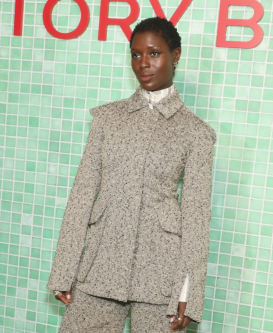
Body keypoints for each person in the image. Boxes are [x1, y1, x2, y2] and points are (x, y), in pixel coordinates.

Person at [46, 16, 217, 332]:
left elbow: (196, 217)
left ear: (175, 55)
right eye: (136, 54)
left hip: (160, 276)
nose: (143, 64)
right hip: (99, 265)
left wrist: (187, 291)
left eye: (154, 53)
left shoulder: (196, 133)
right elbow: (82, 196)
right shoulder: (107, 119)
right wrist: (64, 269)